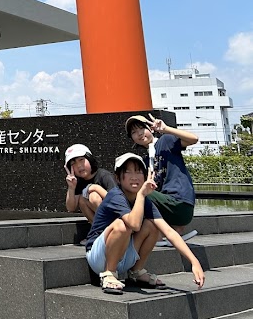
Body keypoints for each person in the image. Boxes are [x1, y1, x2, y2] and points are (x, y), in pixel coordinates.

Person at [85, 152, 205, 294]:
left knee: (152, 225)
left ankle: (136, 272)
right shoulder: (115, 196)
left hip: (122, 257)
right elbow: (134, 224)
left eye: (138, 171)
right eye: (128, 172)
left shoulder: (145, 202)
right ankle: (108, 274)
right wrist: (142, 194)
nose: (134, 176)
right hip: (98, 258)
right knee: (123, 225)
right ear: (118, 178)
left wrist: (194, 261)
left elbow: (169, 232)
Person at [125, 113, 198, 243]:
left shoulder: (165, 141)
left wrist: (166, 129)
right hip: (166, 208)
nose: (139, 134)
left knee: (139, 194)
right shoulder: (145, 161)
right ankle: (170, 232)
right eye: (134, 132)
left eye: (142, 128)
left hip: (180, 202)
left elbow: (194, 139)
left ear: (151, 128)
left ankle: (161, 235)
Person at [64, 143, 116, 223]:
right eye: (73, 164)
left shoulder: (104, 176)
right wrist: (71, 187)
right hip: (99, 224)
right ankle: (99, 230)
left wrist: (95, 188)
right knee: (82, 199)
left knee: (93, 196)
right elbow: (71, 208)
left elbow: (117, 200)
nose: (79, 166)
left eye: (81, 160)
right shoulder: (79, 182)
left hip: (116, 218)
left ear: (90, 159)